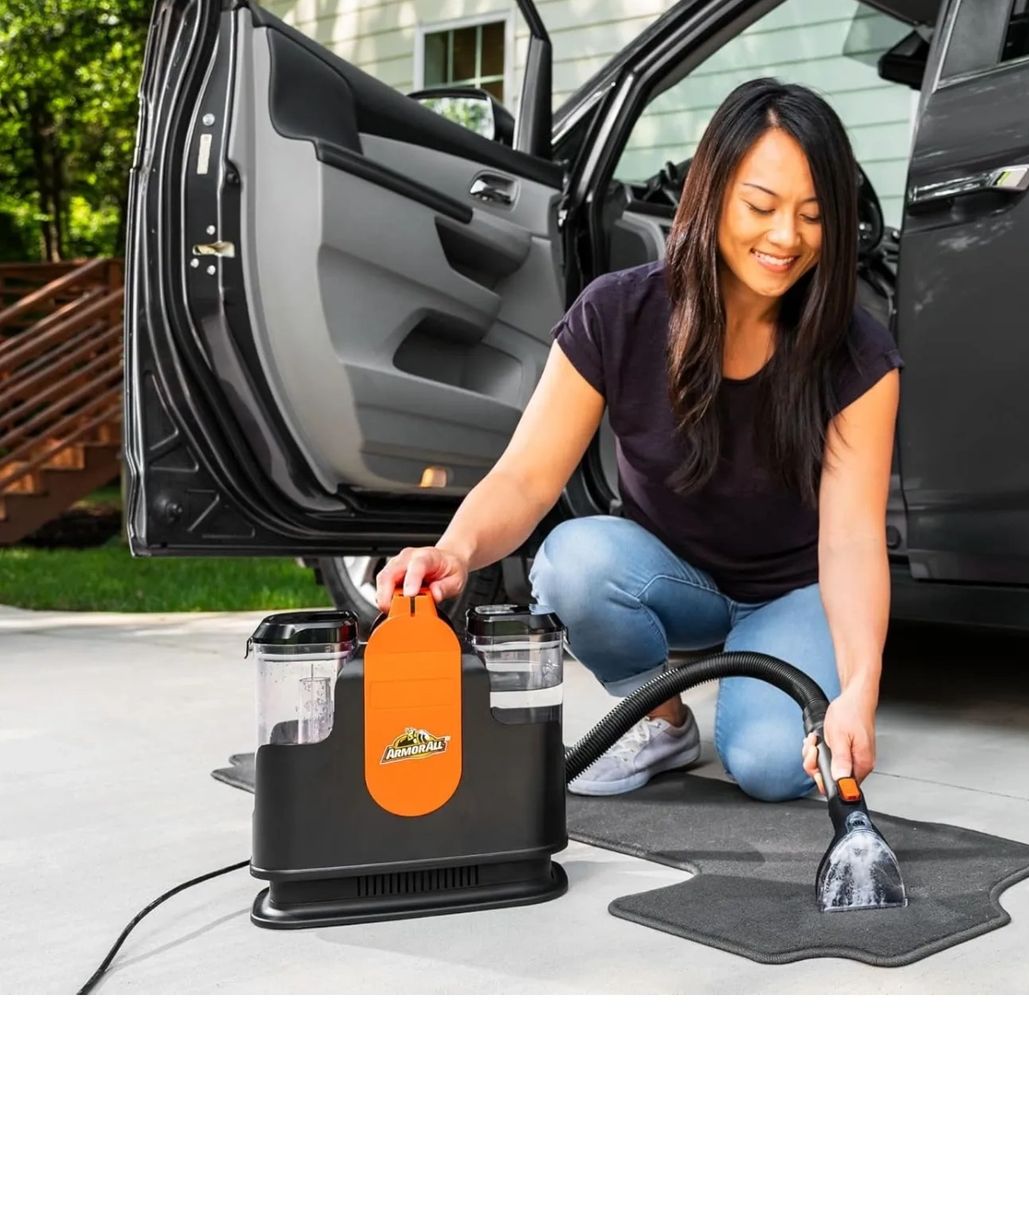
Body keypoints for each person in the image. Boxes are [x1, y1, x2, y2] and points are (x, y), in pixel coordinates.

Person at [376, 77, 902, 802]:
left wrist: (859, 694)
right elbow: (529, 476)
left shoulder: (859, 355)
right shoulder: (618, 314)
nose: (786, 238)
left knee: (775, 767)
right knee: (571, 564)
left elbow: (849, 540)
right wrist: (454, 550)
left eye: (812, 217)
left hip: (790, 593)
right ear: (712, 193)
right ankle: (663, 720)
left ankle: (786, 681)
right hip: (671, 578)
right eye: (761, 206)